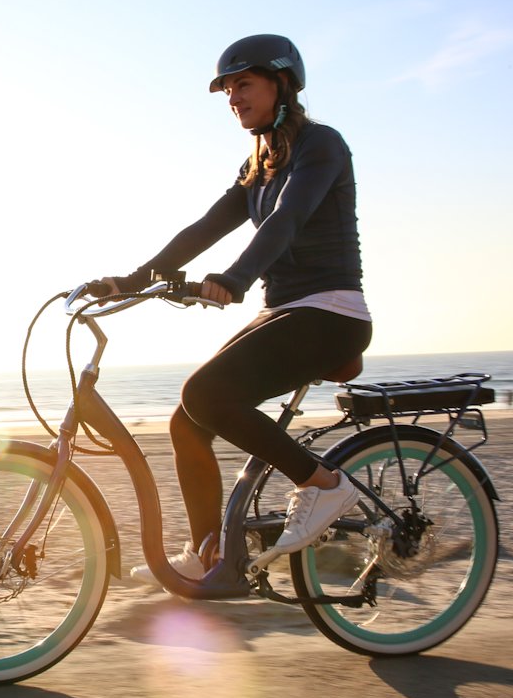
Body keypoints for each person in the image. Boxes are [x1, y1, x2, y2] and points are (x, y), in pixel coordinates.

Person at [92, 34, 372, 583]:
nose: (232, 97)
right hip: (287, 312)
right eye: (226, 89)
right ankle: (211, 556)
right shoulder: (257, 169)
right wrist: (129, 281)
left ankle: (325, 486)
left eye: (243, 83)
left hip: (331, 313)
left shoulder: (321, 145)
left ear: (281, 83)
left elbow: (287, 220)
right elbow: (201, 229)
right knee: (187, 419)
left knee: (204, 394)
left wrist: (235, 278)